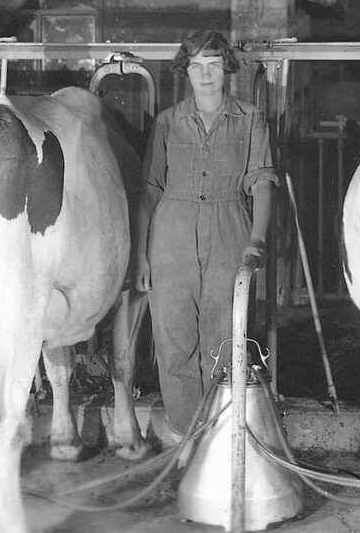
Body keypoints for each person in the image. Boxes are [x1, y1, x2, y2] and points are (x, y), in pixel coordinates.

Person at [131, 30, 278, 446]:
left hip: (229, 229)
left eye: (213, 65)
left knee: (224, 341)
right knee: (174, 342)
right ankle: (185, 437)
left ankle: (220, 440)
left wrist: (256, 239)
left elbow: (263, 181)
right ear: (186, 72)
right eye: (196, 66)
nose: (206, 75)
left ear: (227, 68)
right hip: (171, 237)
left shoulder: (250, 119)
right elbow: (150, 189)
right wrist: (142, 255)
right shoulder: (166, 122)